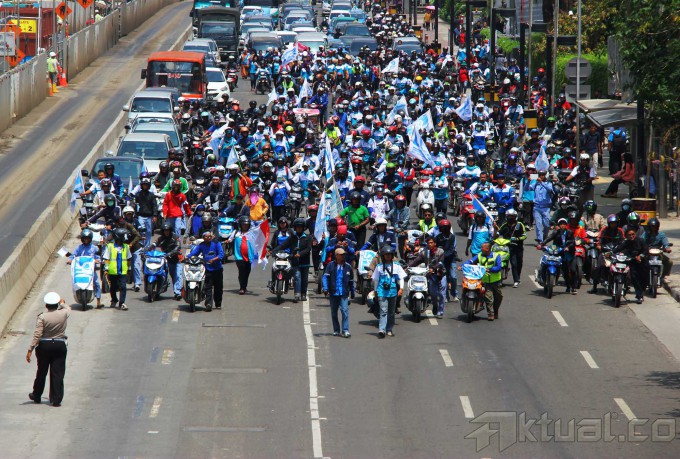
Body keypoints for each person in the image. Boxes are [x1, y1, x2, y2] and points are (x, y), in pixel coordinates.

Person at [27, 292, 69, 406]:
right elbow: (67, 308)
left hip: (44, 346)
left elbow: (37, 334)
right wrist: (62, 303)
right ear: (57, 304)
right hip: (59, 345)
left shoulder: (42, 317)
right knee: (58, 373)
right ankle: (56, 398)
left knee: (41, 371)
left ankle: (37, 394)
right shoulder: (64, 313)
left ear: (46, 305)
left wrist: (30, 349)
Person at [461, 242, 503, 320]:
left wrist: (490, 269)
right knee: (488, 297)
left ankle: (495, 311)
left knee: (499, 297)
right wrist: (463, 266)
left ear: (487, 249)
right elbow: (470, 261)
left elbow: (499, 267)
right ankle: (491, 314)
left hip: (496, 281)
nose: (481, 249)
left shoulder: (496, 256)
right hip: (485, 281)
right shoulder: (479, 255)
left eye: (482, 248)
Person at [273, 218, 312, 302]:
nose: (299, 228)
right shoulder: (292, 237)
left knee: (304, 279)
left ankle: (303, 294)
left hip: (305, 262)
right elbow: (283, 245)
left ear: (303, 227)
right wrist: (274, 251)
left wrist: (300, 254)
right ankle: (297, 294)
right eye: (297, 227)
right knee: (297, 277)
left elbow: (308, 249)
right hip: (295, 262)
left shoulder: (308, 237)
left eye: (300, 227)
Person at [371, 246, 407, 338]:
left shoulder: (397, 266)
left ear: (392, 255)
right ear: (383, 256)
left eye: (389, 254)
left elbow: (401, 278)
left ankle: (389, 329)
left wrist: (401, 289)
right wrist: (375, 291)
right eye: (386, 254)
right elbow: (376, 280)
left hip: (393, 292)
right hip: (382, 292)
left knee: (391, 312)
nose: (388, 256)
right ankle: (382, 330)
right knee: (383, 311)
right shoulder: (379, 267)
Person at [409, 236, 447, 319]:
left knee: (441, 294)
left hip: (441, 275)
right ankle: (435, 305)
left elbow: (441, 262)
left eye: (431, 243)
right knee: (433, 294)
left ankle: (440, 311)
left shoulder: (440, 251)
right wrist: (408, 267)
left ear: (435, 243)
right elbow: (416, 261)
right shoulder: (424, 253)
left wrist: (433, 268)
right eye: (428, 243)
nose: (430, 244)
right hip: (431, 276)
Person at [187, 231, 224, 309]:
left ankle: (218, 304)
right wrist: (186, 257)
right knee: (208, 287)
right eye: (207, 237)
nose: (209, 238)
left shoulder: (216, 243)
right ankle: (208, 304)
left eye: (210, 236)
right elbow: (194, 253)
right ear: (203, 238)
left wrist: (213, 259)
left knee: (218, 288)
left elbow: (221, 254)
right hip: (207, 269)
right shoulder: (201, 245)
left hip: (217, 269)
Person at [538, 218, 576, 293]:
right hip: (559, 253)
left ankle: (573, 287)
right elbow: (549, 238)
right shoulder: (556, 232)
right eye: (561, 224)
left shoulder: (570, 232)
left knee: (573, 270)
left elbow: (573, 242)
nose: (562, 225)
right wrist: (542, 244)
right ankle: (568, 286)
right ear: (558, 225)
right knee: (564, 271)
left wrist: (568, 247)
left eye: (564, 224)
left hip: (570, 253)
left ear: (566, 225)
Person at [322, 248, 355, 338]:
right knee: (334, 312)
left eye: (344, 254)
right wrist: (325, 288)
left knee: (344, 311)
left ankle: (345, 330)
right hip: (333, 292)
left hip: (344, 293)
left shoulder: (348, 266)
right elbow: (325, 277)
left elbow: (351, 280)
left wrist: (352, 292)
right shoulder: (330, 265)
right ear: (336, 256)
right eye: (341, 255)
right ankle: (336, 330)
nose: (343, 256)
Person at [590, 215, 625, 294]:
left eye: (615, 223)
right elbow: (599, 239)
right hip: (605, 251)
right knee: (599, 267)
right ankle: (594, 286)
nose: (613, 225)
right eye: (612, 223)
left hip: (616, 252)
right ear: (609, 223)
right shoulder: (604, 230)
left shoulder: (620, 231)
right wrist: (599, 245)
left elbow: (623, 240)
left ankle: (625, 283)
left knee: (625, 265)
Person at [67, 229, 101, 308]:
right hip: (80, 270)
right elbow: (73, 255)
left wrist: (97, 260)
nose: (86, 240)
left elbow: (98, 257)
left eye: (87, 238)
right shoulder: (79, 248)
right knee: (75, 282)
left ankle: (98, 301)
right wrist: (70, 260)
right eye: (84, 238)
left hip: (91, 271)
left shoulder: (94, 248)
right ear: (82, 239)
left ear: (90, 239)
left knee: (96, 283)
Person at [614, 228, 648, 304]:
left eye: (633, 234)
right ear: (626, 236)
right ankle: (639, 296)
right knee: (634, 277)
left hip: (642, 263)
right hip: (632, 262)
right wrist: (610, 253)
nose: (631, 236)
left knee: (643, 279)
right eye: (629, 235)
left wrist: (640, 256)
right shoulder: (626, 242)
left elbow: (646, 250)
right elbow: (618, 248)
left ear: (635, 234)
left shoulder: (641, 241)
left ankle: (642, 292)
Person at [102, 228, 132, 310]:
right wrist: (106, 269)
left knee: (123, 287)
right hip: (113, 271)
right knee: (113, 287)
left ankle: (122, 303)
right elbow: (106, 258)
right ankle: (114, 300)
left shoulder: (126, 247)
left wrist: (129, 268)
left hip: (123, 271)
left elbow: (129, 259)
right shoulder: (110, 246)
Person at [153, 221, 183, 300]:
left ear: (170, 230)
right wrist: (146, 249)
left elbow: (178, 247)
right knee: (160, 274)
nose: (166, 232)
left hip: (177, 259)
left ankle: (177, 293)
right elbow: (153, 244)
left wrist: (171, 253)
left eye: (168, 230)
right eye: (165, 230)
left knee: (177, 276)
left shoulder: (175, 237)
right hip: (166, 260)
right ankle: (157, 290)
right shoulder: (160, 238)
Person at [498, 209, 527, 288]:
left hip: (518, 247)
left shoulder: (520, 225)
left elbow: (524, 235)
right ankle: (512, 280)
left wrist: (517, 239)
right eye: (509, 216)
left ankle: (517, 279)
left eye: (512, 216)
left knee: (518, 264)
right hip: (506, 247)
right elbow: (498, 233)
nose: (511, 218)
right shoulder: (504, 225)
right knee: (512, 263)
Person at [231, 216, 257, 294]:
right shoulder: (236, 233)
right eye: (243, 224)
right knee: (241, 271)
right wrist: (227, 241)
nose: (245, 226)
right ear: (240, 225)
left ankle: (244, 287)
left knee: (247, 272)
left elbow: (258, 243)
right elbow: (230, 239)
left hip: (249, 256)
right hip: (239, 256)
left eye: (246, 224)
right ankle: (242, 288)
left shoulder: (252, 233)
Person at [527, 170, 555, 242]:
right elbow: (528, 188)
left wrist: (541, 182)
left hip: (546, 208)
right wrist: (528, 182)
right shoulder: (536, 184)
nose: (541, 176)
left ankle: (544, 236)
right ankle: (540, 240)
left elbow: (550, 190)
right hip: (537, 207)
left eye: (543, 175)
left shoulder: (549, 183)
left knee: (547, 225)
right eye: (540, 175)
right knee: (538, 224)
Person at [642, 218, 673, 282]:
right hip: (647, 254)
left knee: (669, 262)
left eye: (655, 226)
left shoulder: (661, 234)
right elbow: (641, 241)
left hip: (658, 253)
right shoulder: (645, 234)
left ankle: (663, 276)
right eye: (652, 226)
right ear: (649, 227)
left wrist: (667, 248)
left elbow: (665, 242)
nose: (654, 228)